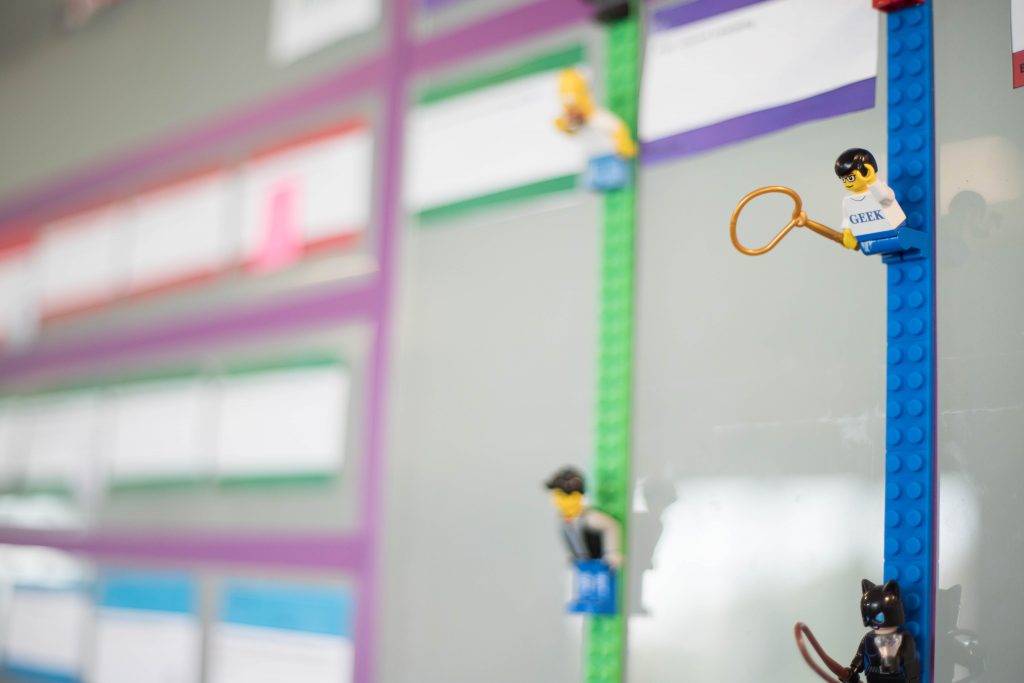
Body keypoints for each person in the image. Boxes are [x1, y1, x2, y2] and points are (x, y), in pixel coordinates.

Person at [555, 69, 637, 192]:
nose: (573, 115)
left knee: (615, 178)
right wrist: (565, 125)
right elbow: (568, 130)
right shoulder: (575, 125)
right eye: (570, 112)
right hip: (593, 158)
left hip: (610, 154)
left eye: (575, 111)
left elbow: (617, 128)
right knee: (595, 183)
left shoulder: (597, 118)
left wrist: (623, 145)